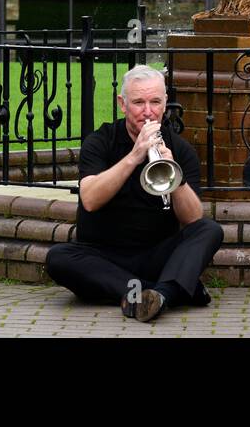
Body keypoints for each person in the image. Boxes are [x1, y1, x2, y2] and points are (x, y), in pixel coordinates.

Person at [45, 64, 223, 323]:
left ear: (165, 104)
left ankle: (156, 294)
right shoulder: (101, 141)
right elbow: (91, 200)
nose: (148, 112)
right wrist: (134, 156)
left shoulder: (180, 150)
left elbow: (192, 219)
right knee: (58, 258)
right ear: (122, 103)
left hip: (156, 255)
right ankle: (172, 290)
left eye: (155, 102)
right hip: (102, 254)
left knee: (209, 229)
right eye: (139, 102)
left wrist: (176, 177)